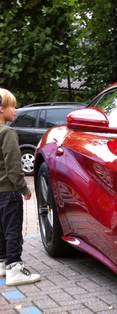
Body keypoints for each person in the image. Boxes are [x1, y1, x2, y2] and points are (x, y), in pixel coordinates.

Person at [0, 88, 40, 286]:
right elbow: (14, 166)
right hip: (9, 191)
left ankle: (2, 262)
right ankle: (15, 267)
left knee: (1, 228)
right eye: (12, 106)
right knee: (13, 229)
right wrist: (24, 189)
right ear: (1, 108)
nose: (16, 110)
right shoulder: (7, 133)